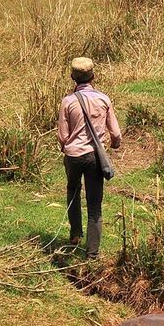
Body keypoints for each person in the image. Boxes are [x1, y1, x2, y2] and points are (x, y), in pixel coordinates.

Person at [56, 57, 122, 258]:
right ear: (93, 76)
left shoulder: (67, 101)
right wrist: (113, 145)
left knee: (73, 192)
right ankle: (92, 253)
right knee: (95, 205)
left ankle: (75, 234)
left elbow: (62, 136)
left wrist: (67, 150)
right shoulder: (103, 99)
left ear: (72, 78)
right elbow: (116, 134)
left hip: (74, 156)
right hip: (94, 156)